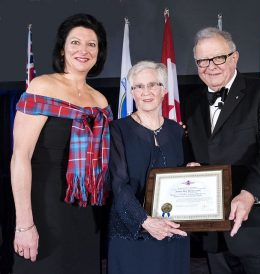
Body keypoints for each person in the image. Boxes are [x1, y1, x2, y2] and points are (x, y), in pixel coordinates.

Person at [182, 27, 260, 274]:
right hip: (214, 234)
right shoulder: (191, 103)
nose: (210, 66)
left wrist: (250, 194)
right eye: (202, 61)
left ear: (234, 57)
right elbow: (197, 152)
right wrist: (191, 167)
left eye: (218, 58)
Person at [10, 13, 112, 273]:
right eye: (75, 42)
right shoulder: (42, 86)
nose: (84, 50)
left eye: (92, 44)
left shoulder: (100, 101)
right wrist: (24, 224)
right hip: (44, 206)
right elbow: (20, 156)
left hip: (86, 209)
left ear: (99, 53)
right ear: (62, 49)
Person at [107, 61, 190, 274]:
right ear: (132, 92)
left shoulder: (177, 131)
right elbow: (118, 185)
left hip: (173, 232)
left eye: (153, 85)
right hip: (132, 232)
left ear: (164, 89)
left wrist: (193, 170)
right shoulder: (117, 129)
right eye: (139, 86)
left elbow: (183, 177)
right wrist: (145, 221)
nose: (146, 92)